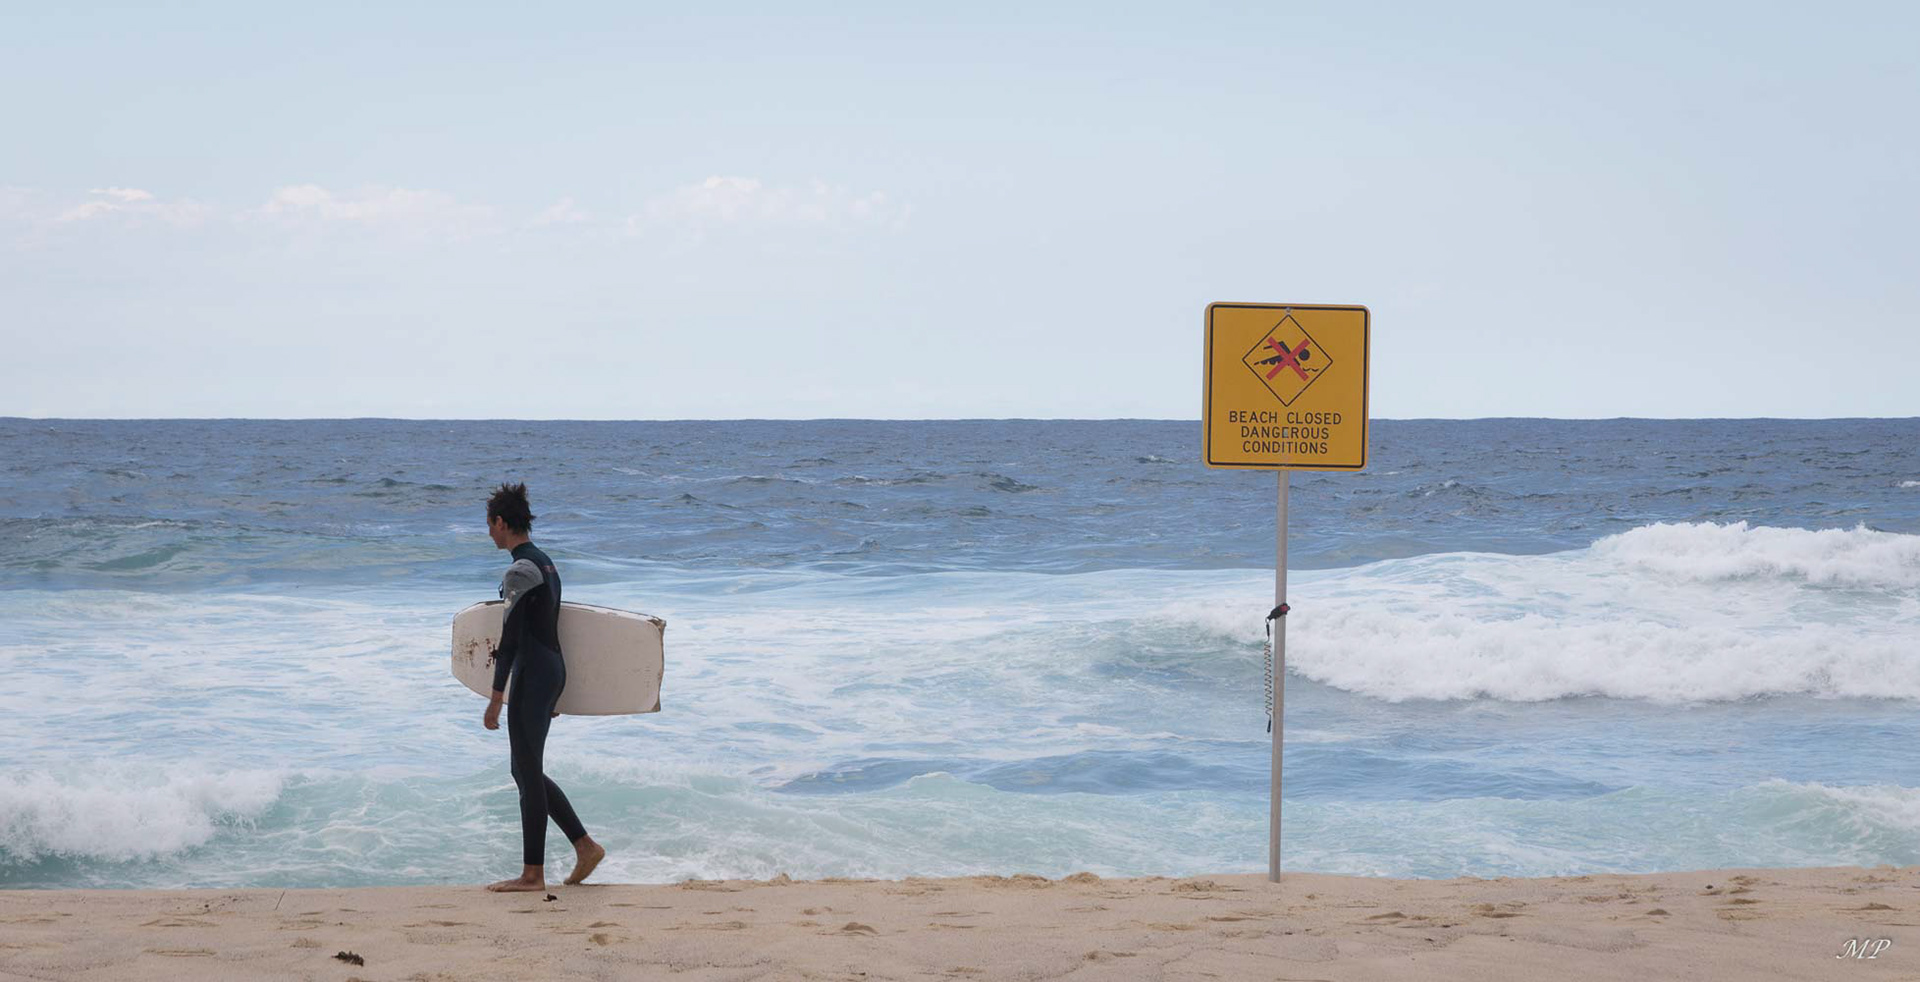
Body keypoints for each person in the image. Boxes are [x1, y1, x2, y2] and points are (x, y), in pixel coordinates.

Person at [483, 482, 606, 892]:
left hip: (534, 674)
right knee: (526, 769)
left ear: (501, 522)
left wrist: (496, 699)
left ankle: (533, 874)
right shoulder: (546, 564)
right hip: (550, 671)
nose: (489, 533)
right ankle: (584, 845)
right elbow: (551, 625)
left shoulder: (520, 570)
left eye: (490, 525)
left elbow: (512, 638)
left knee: (526, 770)